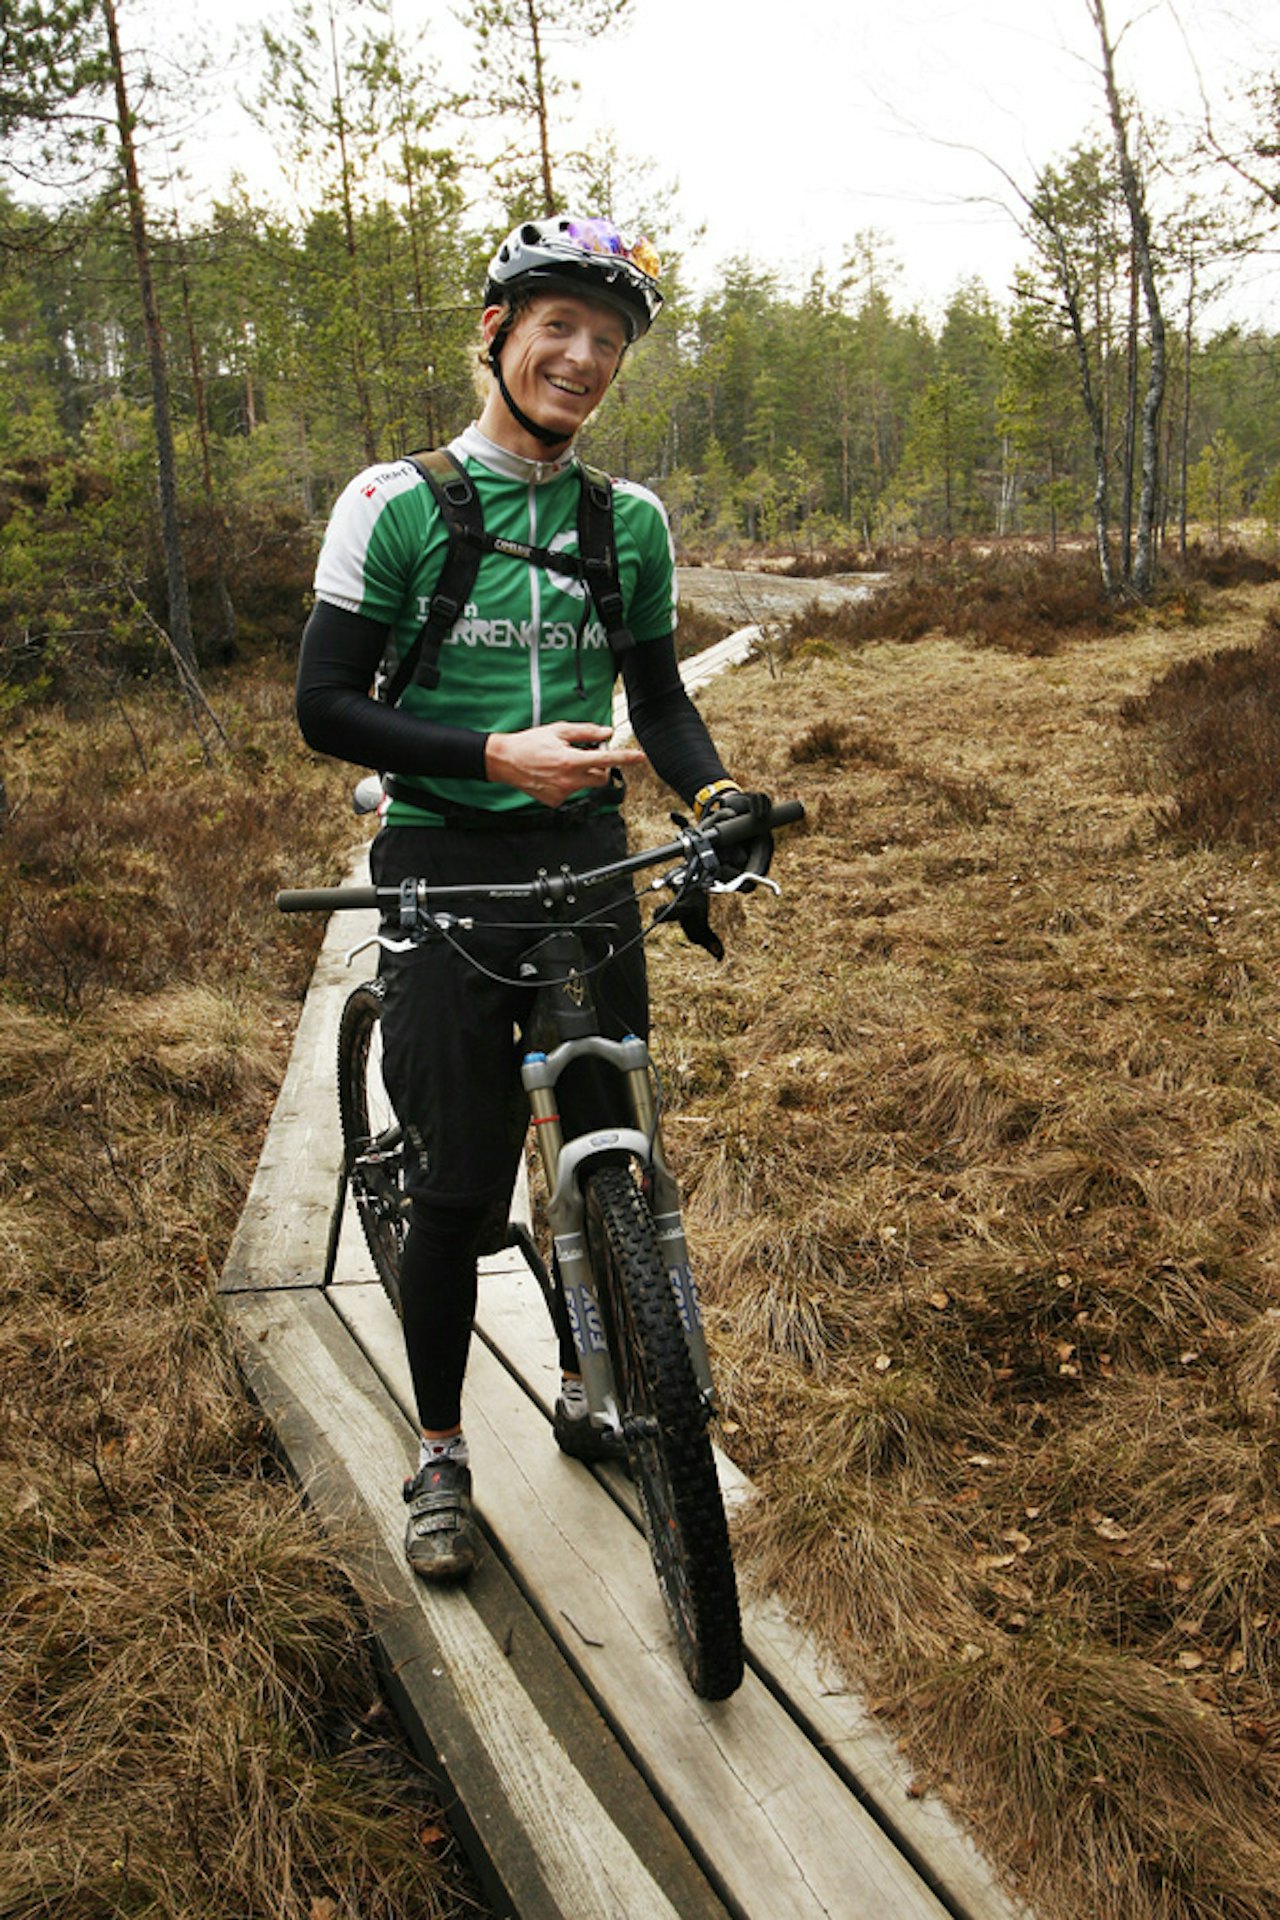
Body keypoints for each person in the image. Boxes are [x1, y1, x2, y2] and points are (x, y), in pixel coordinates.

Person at [296, 214, 771, 1581]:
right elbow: (325, 707)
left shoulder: (628, 522)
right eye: (558, 326)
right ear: (498, 334)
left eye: (608, 340)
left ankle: (595, 1377)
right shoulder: (393, 502)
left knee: (611, 1132)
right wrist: (491, 756)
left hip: (585, 858)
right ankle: (441, 1451)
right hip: (443, 856)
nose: (583, 357)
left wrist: (714, 796)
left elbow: (660, 700)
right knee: (455, 1184)